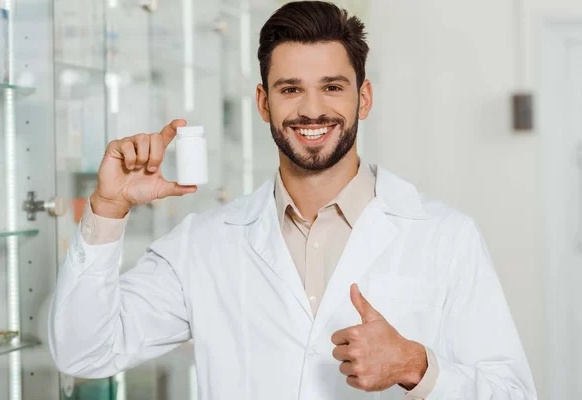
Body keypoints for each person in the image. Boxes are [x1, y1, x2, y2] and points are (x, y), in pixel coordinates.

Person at [49, 2, 537, 399]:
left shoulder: (444, 235)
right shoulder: (204, 245)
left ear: (363, 99)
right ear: (264, 103)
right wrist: (108, 211)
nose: (311, 109)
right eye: (290, 89)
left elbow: (512, 393)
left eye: (332, 87)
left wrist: (417, 365)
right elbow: (82, 352)